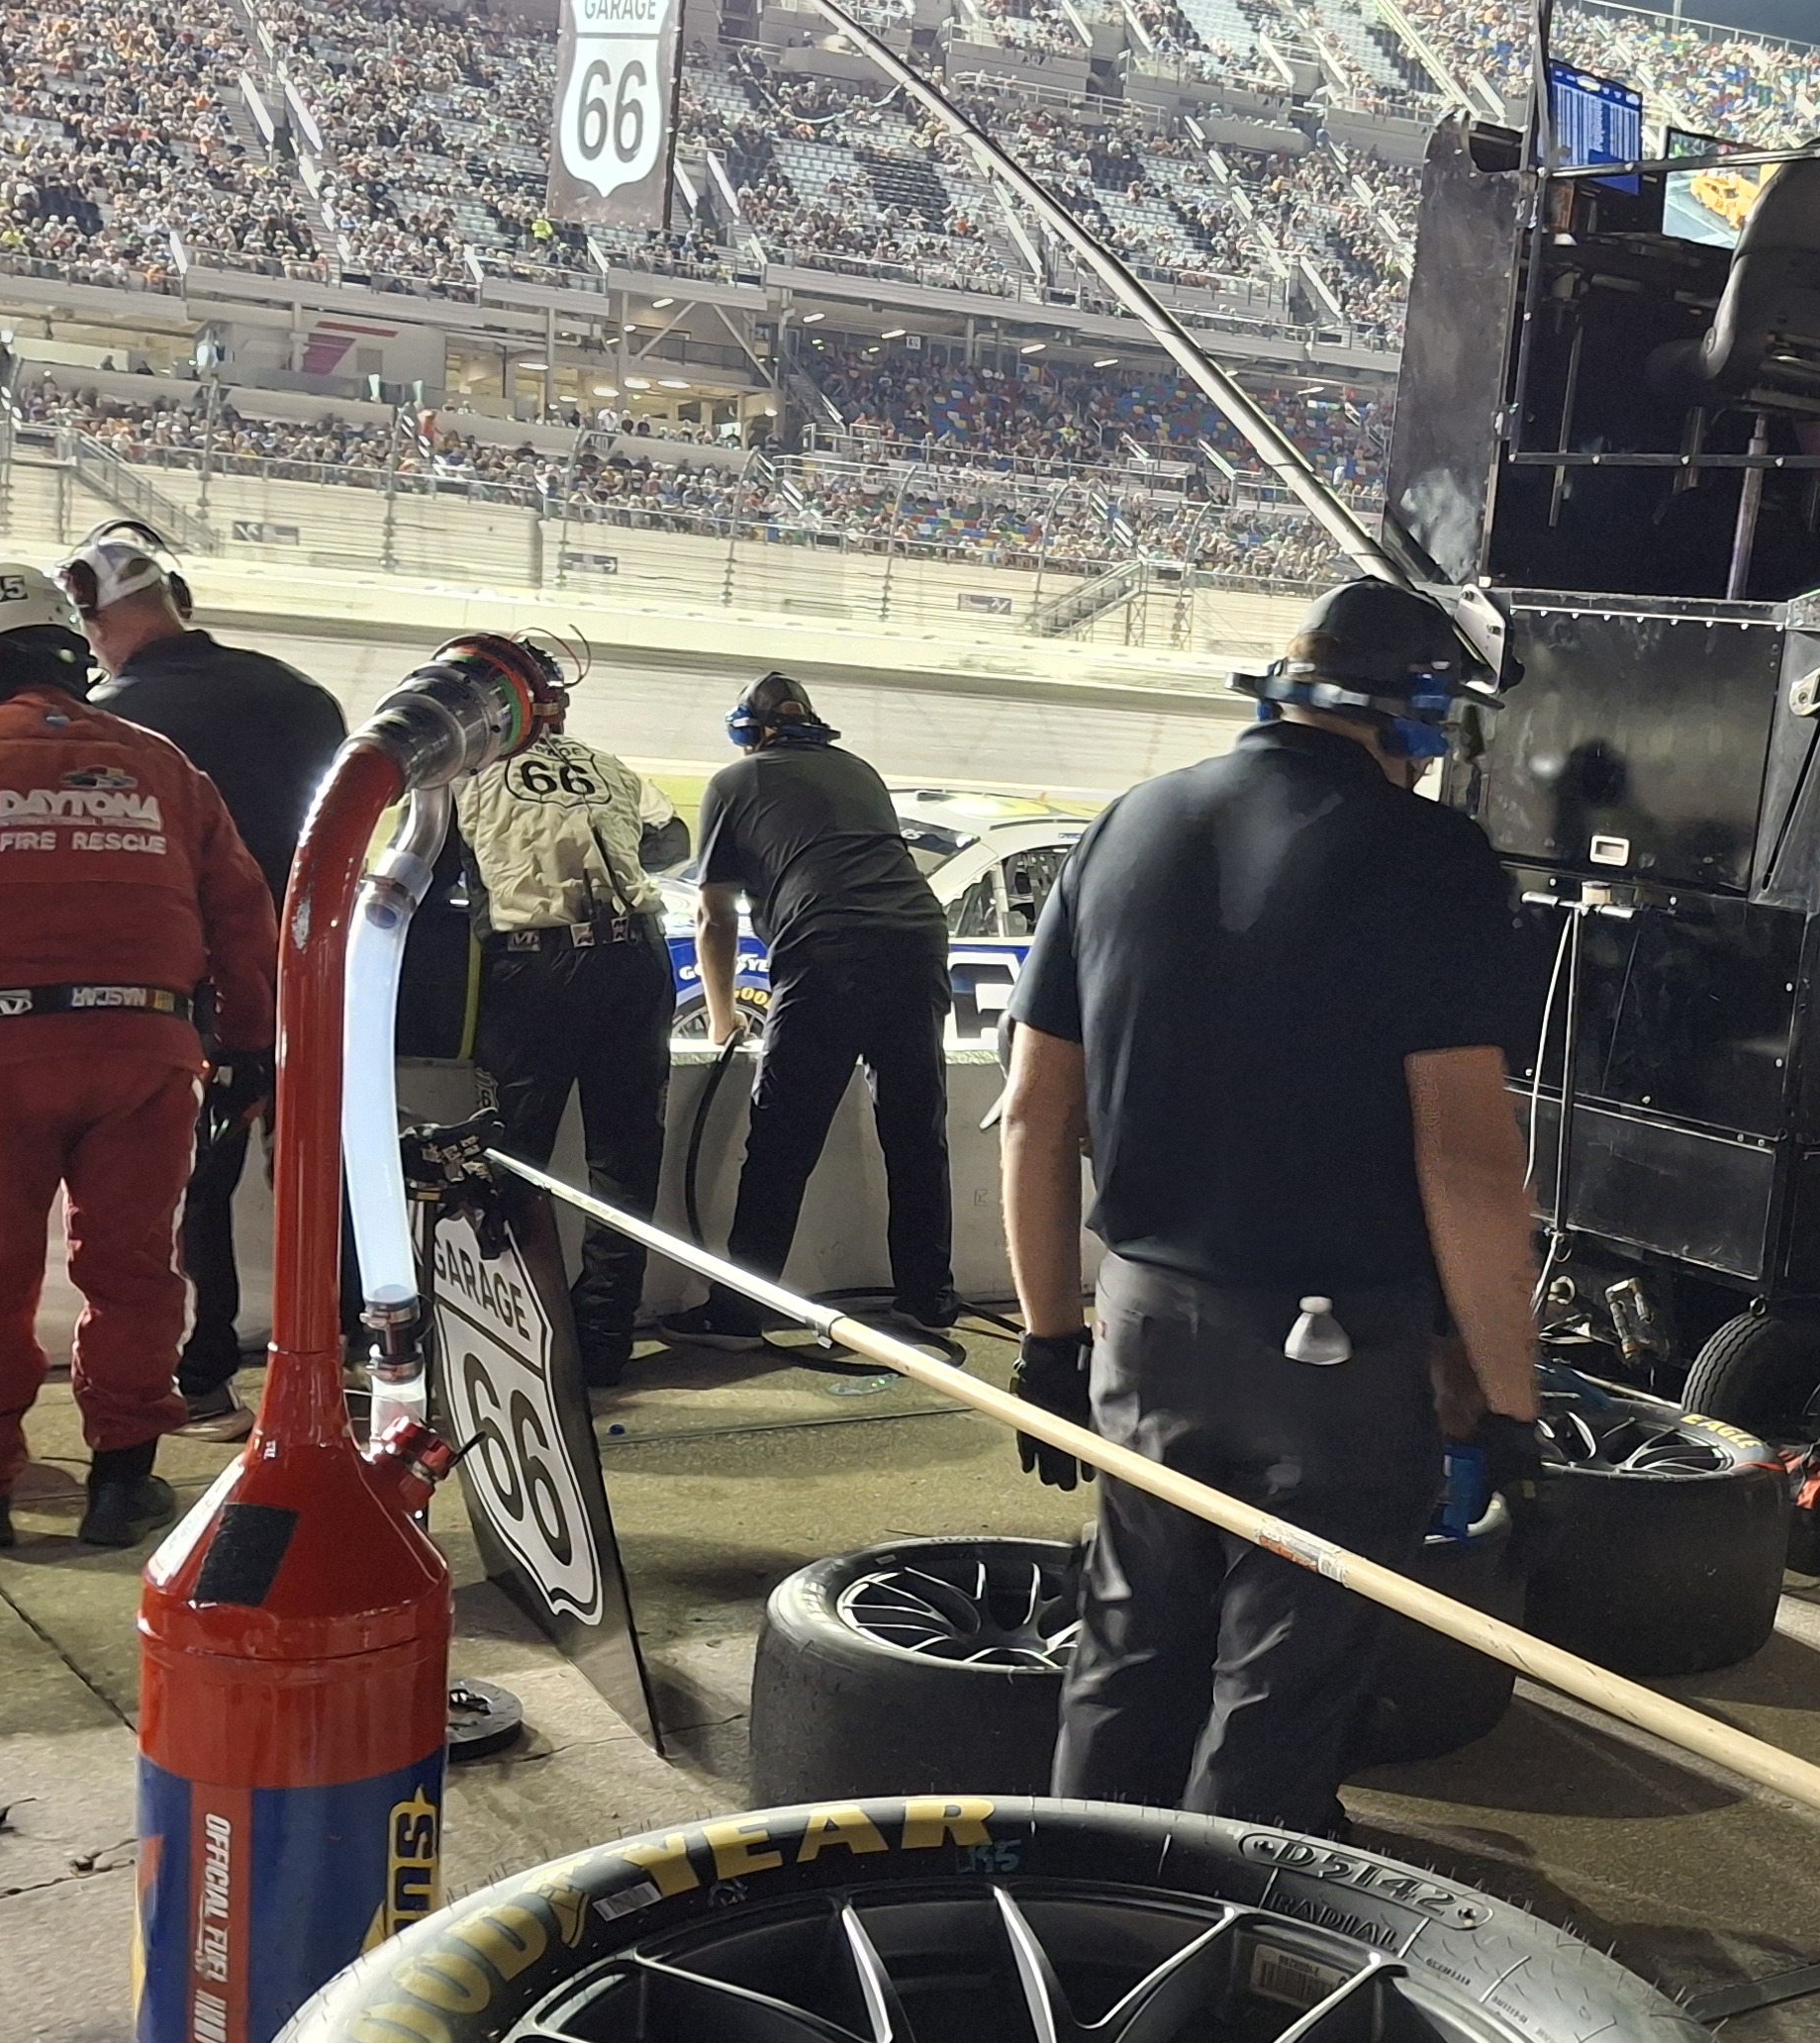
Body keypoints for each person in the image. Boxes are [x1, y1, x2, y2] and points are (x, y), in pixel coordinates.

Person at [999, 580, 1545, 1829]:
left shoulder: (1129, 823)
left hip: (1142, 1325)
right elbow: (1465, 1163)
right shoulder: (1434, 862)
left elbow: (1035, 1115)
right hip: (1333, 1359)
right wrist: (1507, 1403)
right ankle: (1221, 1969)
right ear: (1412, 716)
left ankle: (1078, 1922)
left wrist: (1047, 1342)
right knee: (1282, 1682)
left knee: (1128, 1642)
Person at [0, 559, 277, 1550]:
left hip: (0, 1050)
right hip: (150, 1052)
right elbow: (248, 921)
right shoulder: (166, 765)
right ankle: (122, 1483)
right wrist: (247, 1047)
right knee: (135, 1274)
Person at [67, 520, 344, 1441]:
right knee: (317, 1171)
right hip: (313, 960)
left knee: (195, 1184)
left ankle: (204, 1374)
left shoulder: (115, 718)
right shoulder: (300, 695)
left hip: (195, 976)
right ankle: (345, 1355)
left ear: (101, 619)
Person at [667, 672, 961, 1343]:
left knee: (782, 1138)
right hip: (916, 940)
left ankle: (741, 1309)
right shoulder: (858, 769)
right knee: (916, 1132)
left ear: (751, 735)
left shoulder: (733, 784)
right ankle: (929, 1297)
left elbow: (715, 917)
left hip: (827, 948)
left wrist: (721, 1017)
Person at [455, 638, 681, 1386]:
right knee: (625, 1161)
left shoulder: (461, 768)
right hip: (636, 960)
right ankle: (605, 1336)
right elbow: (672, 839)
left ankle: (516, 1330)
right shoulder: (607, 765)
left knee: (513, 1156)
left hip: (537, 966)